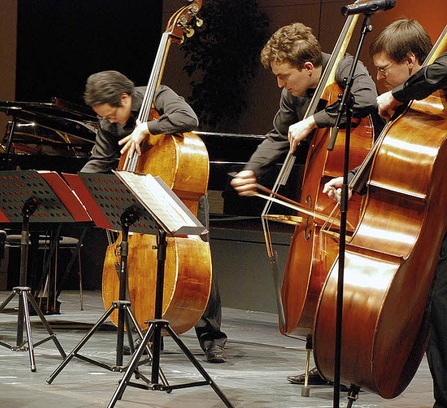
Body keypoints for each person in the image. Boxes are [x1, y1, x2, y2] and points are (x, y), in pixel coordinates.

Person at [229, 22, 380, 385]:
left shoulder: (346, 68)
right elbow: (279, 134)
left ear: (308, 68)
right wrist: (252, 170)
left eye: (284, 76)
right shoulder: (292, 94)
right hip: (321, 198)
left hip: (361, 187)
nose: (281, 85)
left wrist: (313, 120)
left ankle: (354, 361)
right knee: (321, 280)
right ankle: (324, 361)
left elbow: (365, 104)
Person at [323, 20, 445, 408]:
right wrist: (357, 180)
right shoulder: (421, 110)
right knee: (438, 312)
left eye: (382, 70)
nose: (377, 78)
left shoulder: (434, 101)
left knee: (441, 307)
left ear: (411, 62)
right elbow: (406, 161)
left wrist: (399, 92)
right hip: (433, 229)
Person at [81, 70, 228, 363]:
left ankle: (212, 337)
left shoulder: (158, 94)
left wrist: (148, 127)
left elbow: (189, 118)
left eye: (112, 115)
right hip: (139, 192)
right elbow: (100, 159)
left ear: (124, 97)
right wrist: (80, 188)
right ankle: (142, 331)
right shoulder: (108, 121)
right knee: (137, 263)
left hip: (178, 188)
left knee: (196, 263)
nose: (110, 121)